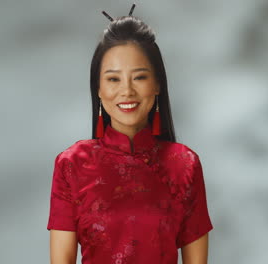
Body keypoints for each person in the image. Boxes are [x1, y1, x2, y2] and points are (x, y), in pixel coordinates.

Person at [47, 4, 213, 264]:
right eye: (113, 79)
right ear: (98, 89)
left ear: (157, 84)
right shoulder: (72, 164)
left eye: (139, 78)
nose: (127, 91)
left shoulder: (184, 165)